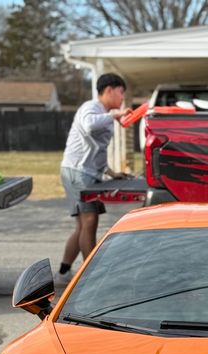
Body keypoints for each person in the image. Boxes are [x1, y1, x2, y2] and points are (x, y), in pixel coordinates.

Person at [58, 73, 129, 277]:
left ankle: (63, 271)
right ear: (109, 90)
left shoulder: (103, 114)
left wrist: (110, 172)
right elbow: (89, 125)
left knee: (82, 224)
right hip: (77, 172)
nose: (122, 98)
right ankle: (91, 275)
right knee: (90, 221)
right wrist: (115, 115)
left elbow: (97, 150)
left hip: (86, 172)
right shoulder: (90, 108)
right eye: (121, 92)